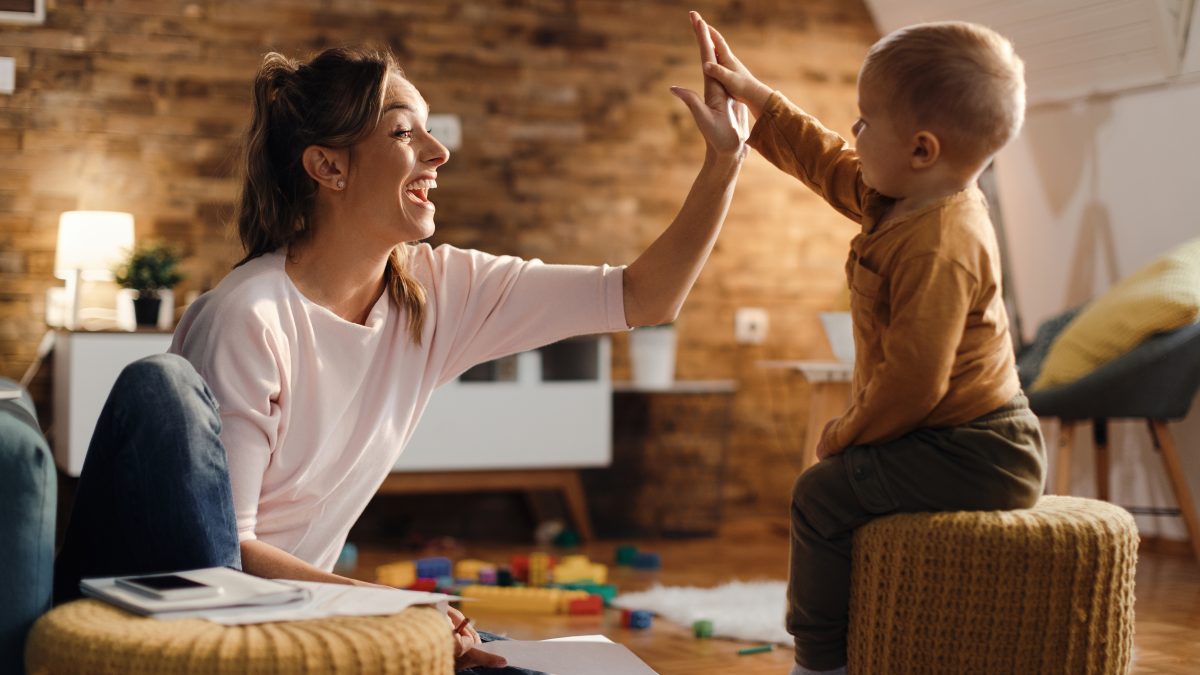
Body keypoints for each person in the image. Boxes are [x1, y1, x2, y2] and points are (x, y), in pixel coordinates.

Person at [53, 16, 747, 673]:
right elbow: (224, 556)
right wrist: (398, 611)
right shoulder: (250, 316)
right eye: (404, 132)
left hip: (312, 613)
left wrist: (723, 163)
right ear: (329, 168)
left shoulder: (437, 291)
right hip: (223, 617)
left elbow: (644, 296)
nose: (439, 152)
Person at [689, 12, 1047, 675]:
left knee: (821, 493)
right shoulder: (898, 198)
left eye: (865, 121)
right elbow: (822, 156)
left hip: (981, 449)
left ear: (921, 149)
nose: (853, 132)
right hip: (944, 435)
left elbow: (915, 379)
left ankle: (821, 663)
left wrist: (848, 431)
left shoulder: (942, 240)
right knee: (842, 491)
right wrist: (756, 99)